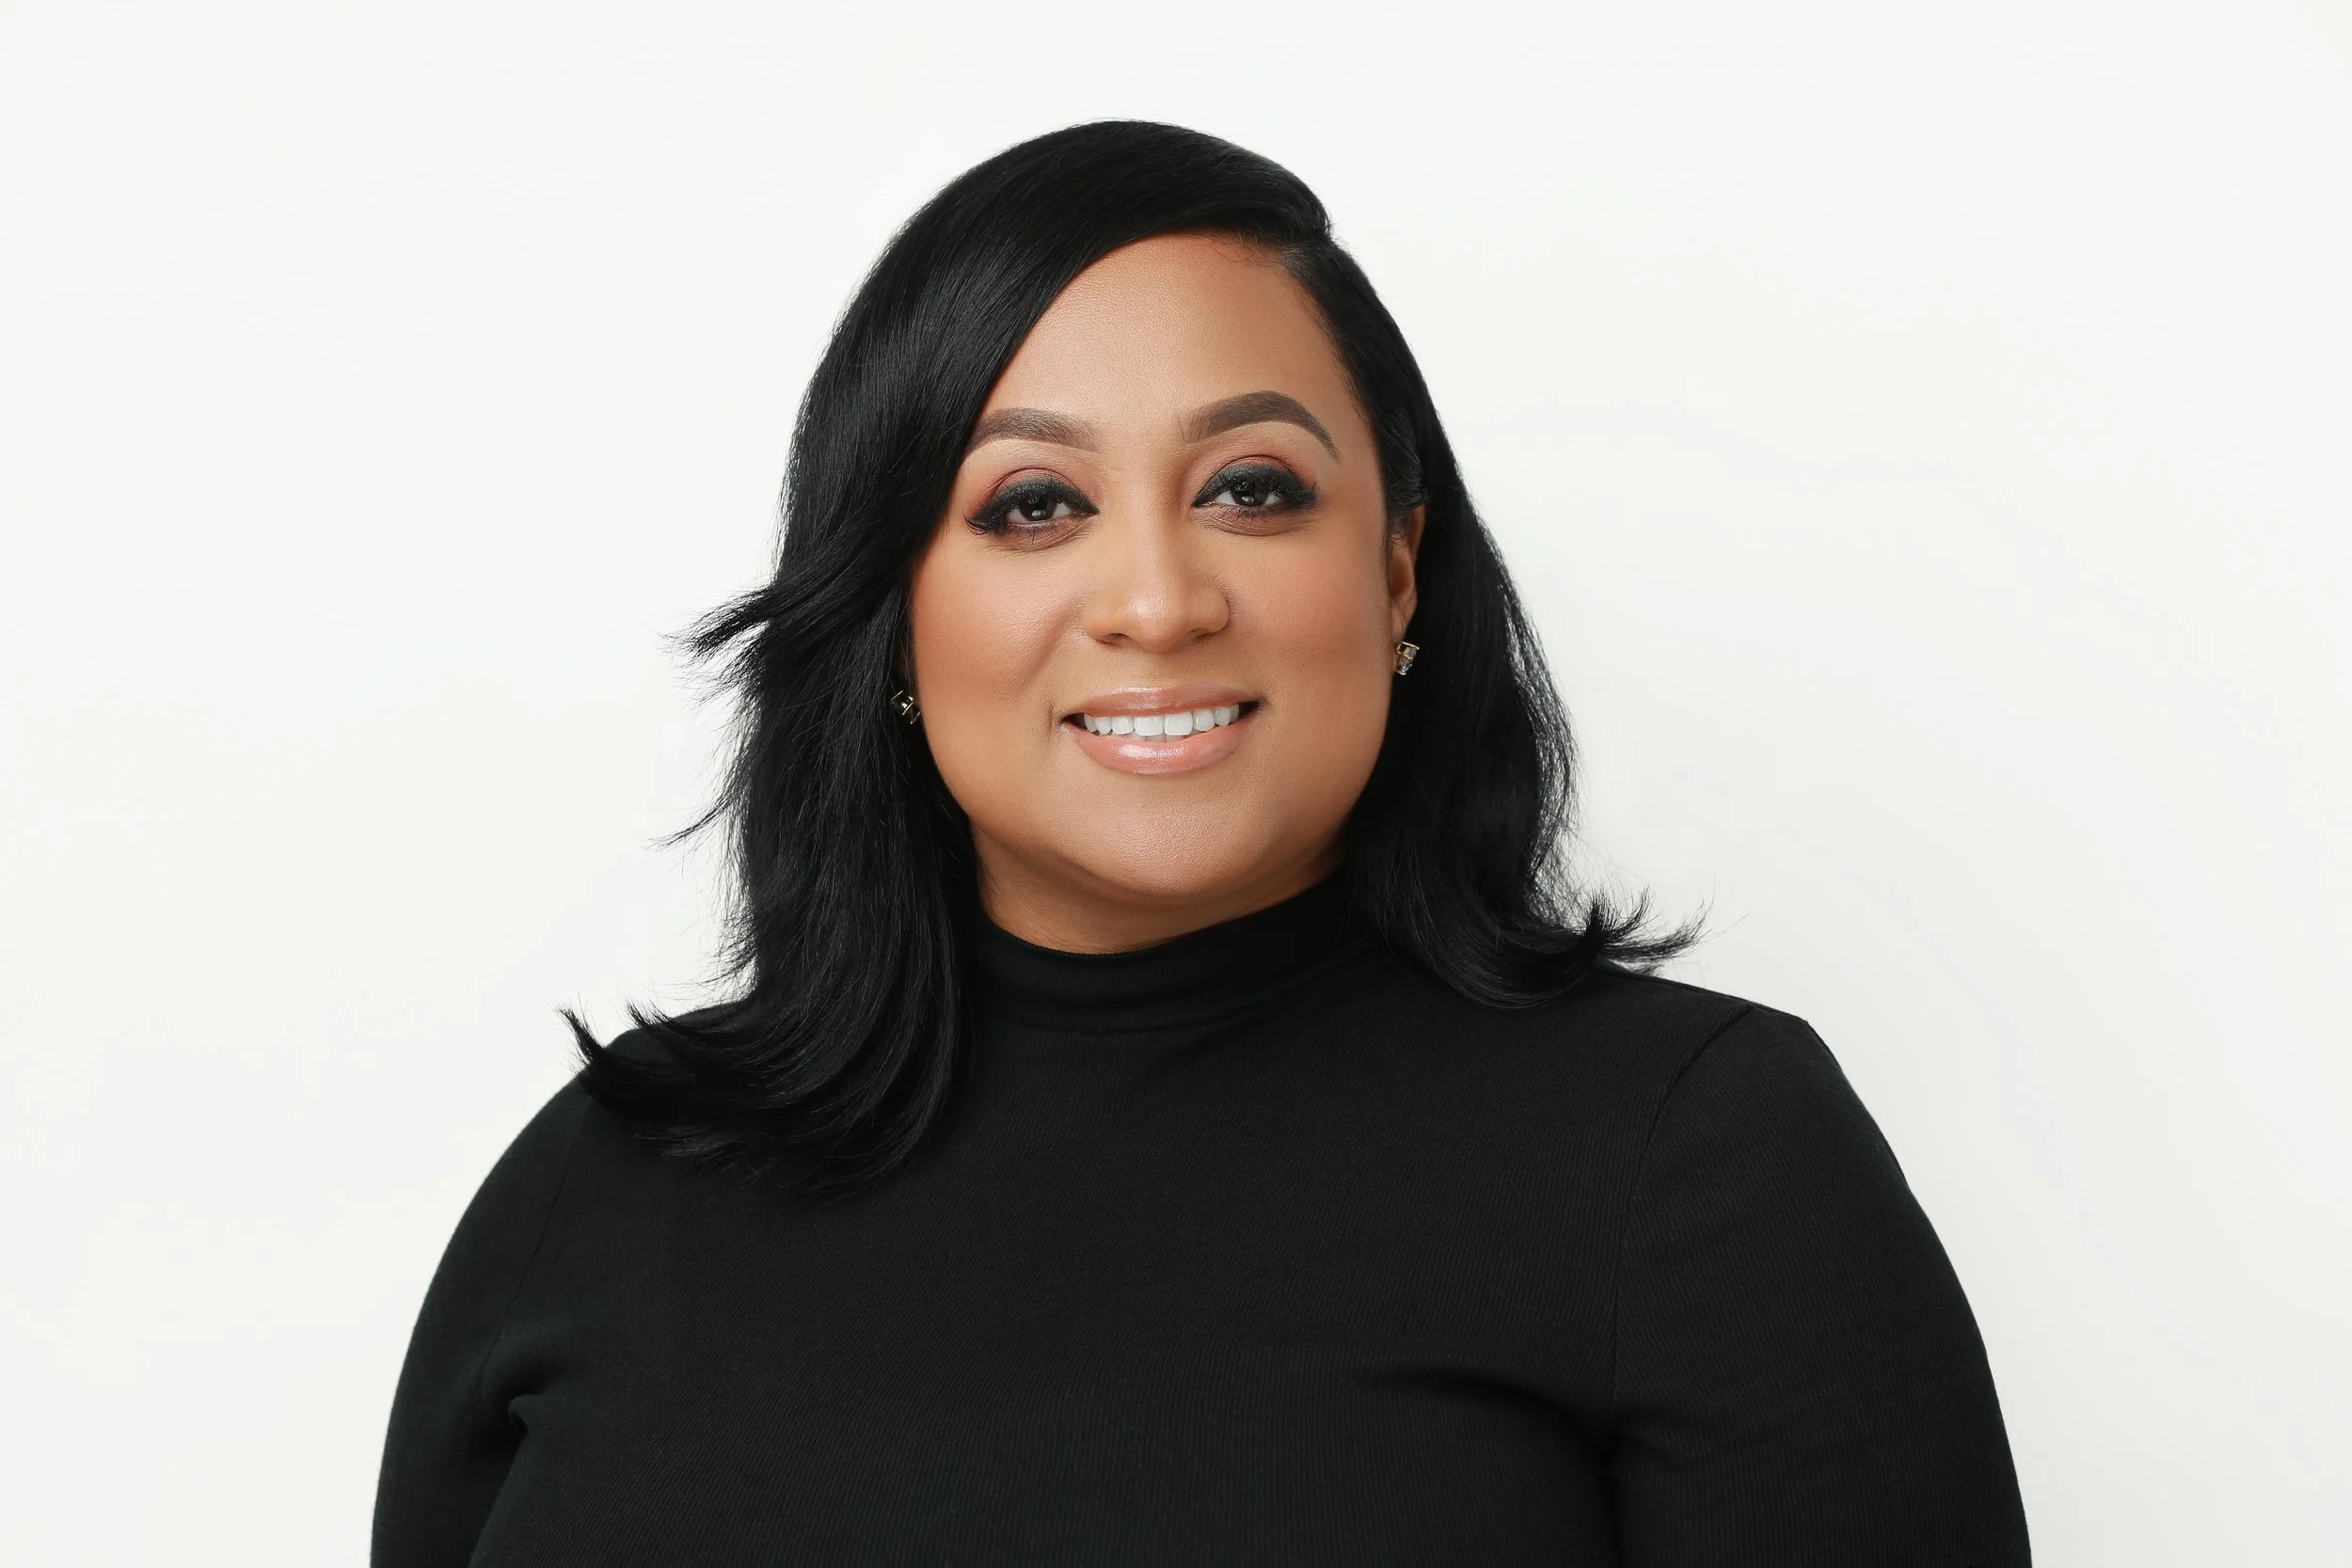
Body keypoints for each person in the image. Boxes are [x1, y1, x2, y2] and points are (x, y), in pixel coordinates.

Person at [372, 120, 2030, 1566]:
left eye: (1251, 488)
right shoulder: (603, 1182)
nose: (1159, 603)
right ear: (890, 618)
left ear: (1397, 574)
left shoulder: (1698, 1162)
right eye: (1034, 505)